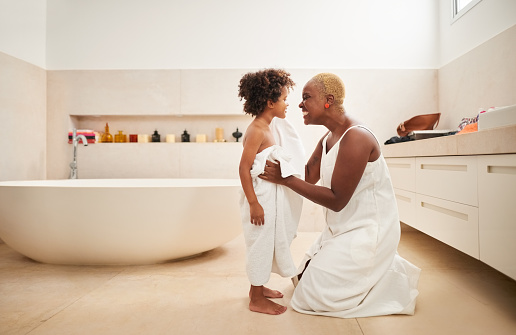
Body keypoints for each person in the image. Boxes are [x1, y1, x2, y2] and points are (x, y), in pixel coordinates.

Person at [260, 73, 421, 318]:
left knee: (311, 296)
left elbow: (336, 200)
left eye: (306, 98)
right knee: (301, 279)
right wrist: (274, 154)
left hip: (368, 231)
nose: (300, 104)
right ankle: (370, 273)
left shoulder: (356, 137)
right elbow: (308, 175)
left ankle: (382, 275)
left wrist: (285, 179)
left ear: (329, 100)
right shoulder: (329, 136)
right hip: (341, 229)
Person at [237, 69, 305, 315]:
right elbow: (244, 168)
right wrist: (254, 203)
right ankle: (256, 298)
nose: (288, 104)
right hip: (260, 201)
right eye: (285, 99)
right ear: (270, 102)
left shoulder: (269, 126)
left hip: (268, 199)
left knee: (265, 243)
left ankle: (259, 287)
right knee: (260, 244)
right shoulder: (257, 129)